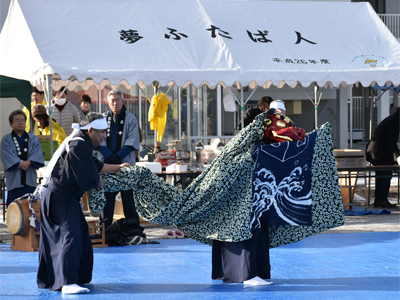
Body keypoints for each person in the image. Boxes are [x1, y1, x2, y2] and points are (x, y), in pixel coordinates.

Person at [37, 113, 129, 294]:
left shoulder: (81, 142)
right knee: (69, 235)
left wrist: (119, 168)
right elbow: (89, 176)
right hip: (58, 196)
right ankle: (67, 283)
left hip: (63, 196)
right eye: (102, 132)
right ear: (91, 130)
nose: (104, 136)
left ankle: (72, 278)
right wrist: (98, 182)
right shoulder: (78, 144)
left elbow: (96, 166)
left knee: (80, 235)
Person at [98, 89, 143, 233]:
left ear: (122, 102)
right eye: (112, 101)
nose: (115, 103)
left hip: (126, 165)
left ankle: (134, 230)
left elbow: (132, 141)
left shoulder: (131, 119)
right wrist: (110, 157)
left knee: (128, 199)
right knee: (107, 200)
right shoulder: (103, 119)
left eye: (118, 100)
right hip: (107, 165)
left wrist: (117, 157)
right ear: (108, 102)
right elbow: (99, 141)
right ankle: (104, 232)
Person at [0, 110, 44, 205]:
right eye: (17, 120)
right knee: (15, 209)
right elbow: (6, 155)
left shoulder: (33, 138)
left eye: (22, 120)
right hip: (14, 181)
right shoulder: (6, 139)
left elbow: (37, 153)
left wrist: (29, 162)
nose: (20, 122)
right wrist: (20, 163)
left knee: (31, 209)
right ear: (11, 124)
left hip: (30, 180)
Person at [366, 108, 400, 208]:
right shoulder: (394, 122)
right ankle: (382, 200)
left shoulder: (392, 119)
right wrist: (398, 156)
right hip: (379, 151)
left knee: (380, 175)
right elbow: (391, 141)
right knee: (386, 174)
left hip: (374, 151)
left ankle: (378, 200)